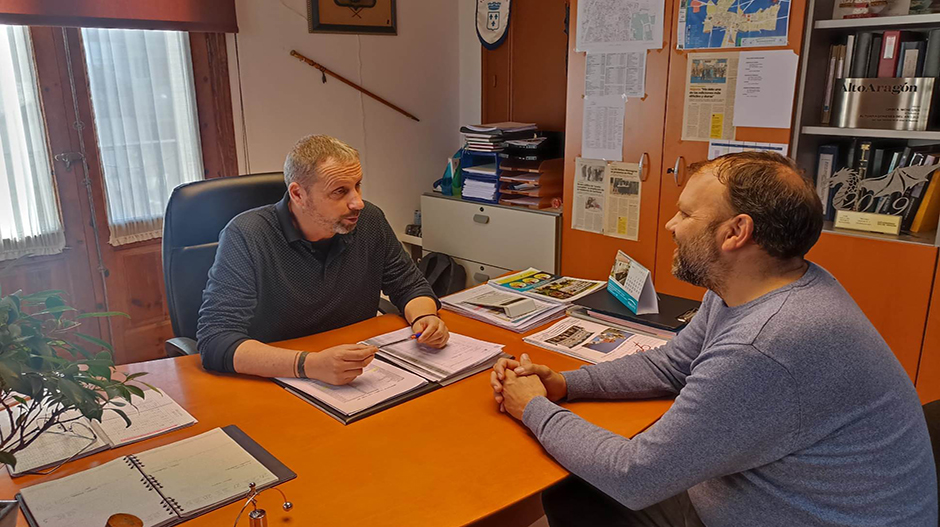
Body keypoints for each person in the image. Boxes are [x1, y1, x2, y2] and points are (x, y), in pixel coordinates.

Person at [490, 152, 938, 526]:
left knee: (584, 486)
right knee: (579, 487)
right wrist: (567, 384)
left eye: (685, 213)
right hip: (769, 500)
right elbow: (672, 364)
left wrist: (532, 407)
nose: (670, 225)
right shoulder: (759, 285)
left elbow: (633, 475)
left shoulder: (764, 345)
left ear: (736, 232)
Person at [197, 134, 449, 384]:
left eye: (357, 185)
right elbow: (215, 340)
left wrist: (425, 318)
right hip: (280, 376)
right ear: (298, 194)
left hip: (358, 370)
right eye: (340, 191)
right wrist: (309, 365)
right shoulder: (247, 235)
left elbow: (409, 285)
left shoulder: (369, 220)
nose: (358, 202)